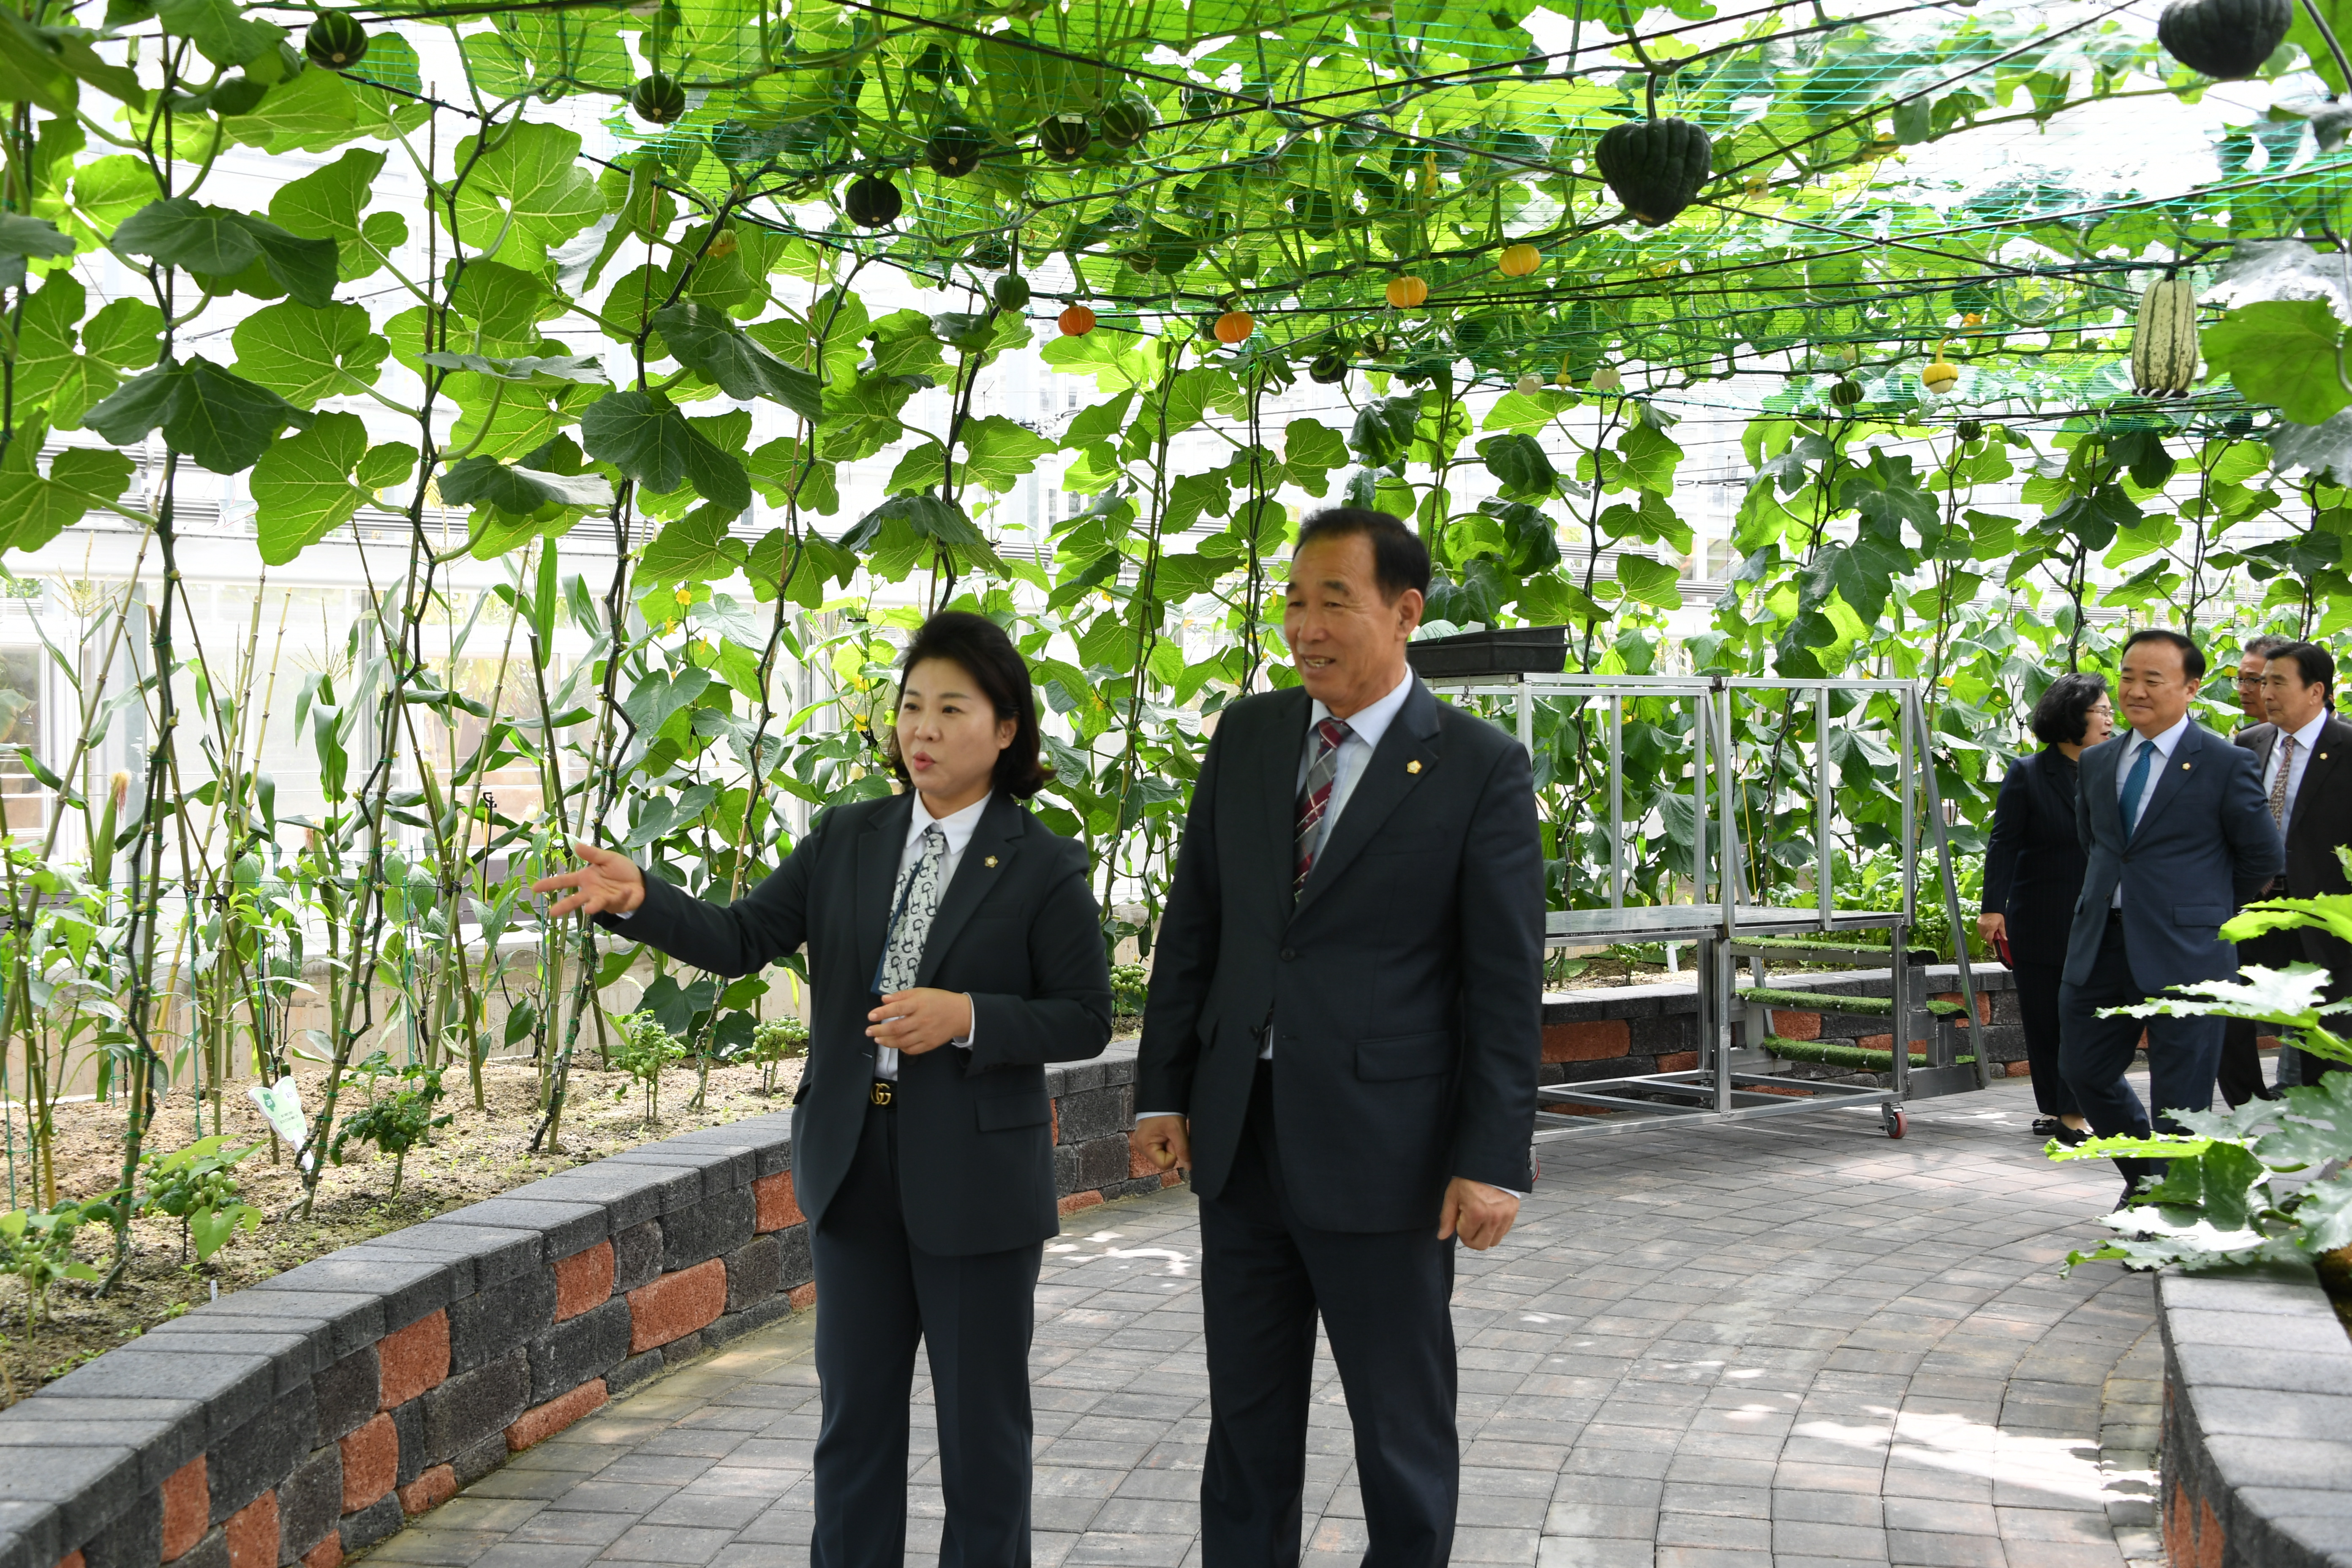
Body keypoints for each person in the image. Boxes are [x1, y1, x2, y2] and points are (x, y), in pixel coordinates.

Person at [533, 610, 1112, 1568]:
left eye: (950, 709)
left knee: (982, 1444)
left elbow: (1083, 1015)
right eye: (910, 706)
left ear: (1006, 727)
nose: (920, 729)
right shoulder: (847, 836)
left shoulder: (1044, 863)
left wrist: (966, 1016)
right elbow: (739, 937)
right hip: (853, 1168)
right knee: (853, 1434)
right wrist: (643, 901)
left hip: (976, 1182)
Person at [1128, 506, 1544, 1568]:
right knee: (1246, 1422)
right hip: (1242, 1137)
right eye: (1294, 600)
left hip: (1387, 1153)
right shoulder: (1252, 734)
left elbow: (1503, 983)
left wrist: (1489, 1159)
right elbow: (1198, 926)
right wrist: (1161, 1090)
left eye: (1334, 602)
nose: (1305, 626)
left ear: (1404, 613)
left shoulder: (1476, 765)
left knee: (1399, 1428)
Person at [2060, 628, 2282, 1208]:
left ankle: (2169, 1216)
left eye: (2152, 680)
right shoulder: (2099, 761)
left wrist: (2200, 909)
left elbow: (2263, 856)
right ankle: (2154, 1185)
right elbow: (2098, 844)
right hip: (2101, 945)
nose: (2135, 691)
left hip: (2190, 951)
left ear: (2191, 687)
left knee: (2180, 1099)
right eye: (2127, 677)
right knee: (2084, 1071)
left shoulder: (2224, 762)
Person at [1979, 673, 2111, 1142]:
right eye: (2102, 710)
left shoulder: (2115, 769)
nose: (2111, 718)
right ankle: (2060, 1110)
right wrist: (1993, 908)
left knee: (2084, 1017)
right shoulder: (2030, 773)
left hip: (2102, 918)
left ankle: (2075, 1113)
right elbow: (2004, 843)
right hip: (2042, 917)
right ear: (2073, 717)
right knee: (2044, 1019)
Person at [2250, 640, 2352, 1089]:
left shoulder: (2347, 748)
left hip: (2326, 913)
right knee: (2232, 1018)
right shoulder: (2248, 744)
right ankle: (2247, 1103)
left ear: (2316, 691)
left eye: (2278, 682)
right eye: (2261, 681)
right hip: (2257, 907)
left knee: (2328, 1030)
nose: (2266, 692)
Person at [2219, 632, 2298, 1103]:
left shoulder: (2338, 743)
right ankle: (2246, 1099)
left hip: (2310, 897)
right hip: (2249, 896)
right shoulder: (2245, 743)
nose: (2249, 689)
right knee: (2227, 997)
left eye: (2259, 679)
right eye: (2243, 678)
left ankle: (2300, 1088)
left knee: (2310, 1002)